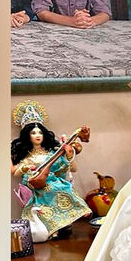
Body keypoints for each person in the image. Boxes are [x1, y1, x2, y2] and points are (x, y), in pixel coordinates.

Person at [10, 101, 91, 241]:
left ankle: (75, 212)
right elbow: (16, 172)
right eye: (33, 133)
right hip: (36, 185)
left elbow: (68, 168)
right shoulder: (27, 157)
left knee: (61, 186)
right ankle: (52, 226)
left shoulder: (51, 153)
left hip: (52, 180)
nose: (37, 135)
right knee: (50, 189)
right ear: (27, 135)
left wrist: (68, 156)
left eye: (40, 132)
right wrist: (25, 168)